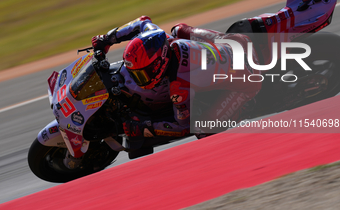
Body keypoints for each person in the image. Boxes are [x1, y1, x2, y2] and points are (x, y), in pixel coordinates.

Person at [92, 16, 262, 138]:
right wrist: (107, 39)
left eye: (141, 74)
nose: (137, 79)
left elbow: (182, 126)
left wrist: (145, 127)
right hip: (237, 42)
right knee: (178, 30)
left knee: (202, 129)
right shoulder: (159, 37)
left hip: (249, 78)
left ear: (158, 64)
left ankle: (244, 108)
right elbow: (141, 22)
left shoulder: (178, 86)